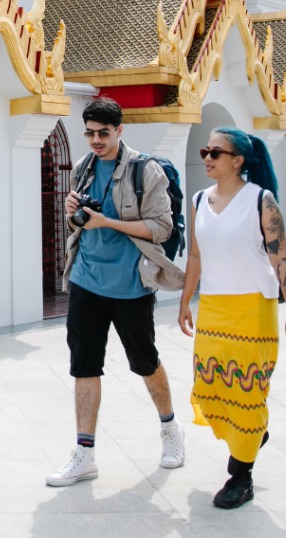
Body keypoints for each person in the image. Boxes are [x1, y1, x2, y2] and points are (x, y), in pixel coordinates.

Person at [47, 98, 186, 487]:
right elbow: (79, 223)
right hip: (87, 280)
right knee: (84, 365)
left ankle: (170, 429)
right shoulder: (82, 168)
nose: (95, 140)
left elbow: (160, 227)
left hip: (130, 284)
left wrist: (107, 221)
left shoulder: (146, 171)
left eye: (103, 133)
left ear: (119, 131)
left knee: (145, 362)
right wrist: (73, 204)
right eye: (89, 132)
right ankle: (84, 454)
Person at [178, 127, 286, 509]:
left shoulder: (260, 201)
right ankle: (253, 436)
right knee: (212, 390)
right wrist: (186, 302)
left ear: (238, 161)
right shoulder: (200, 200)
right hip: (214, 309)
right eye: (205, 150)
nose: (207, 157)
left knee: (247, 395)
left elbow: (279, 259)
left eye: (215, 152)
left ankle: (241, 475)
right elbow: (197, 258)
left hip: (253, 309)